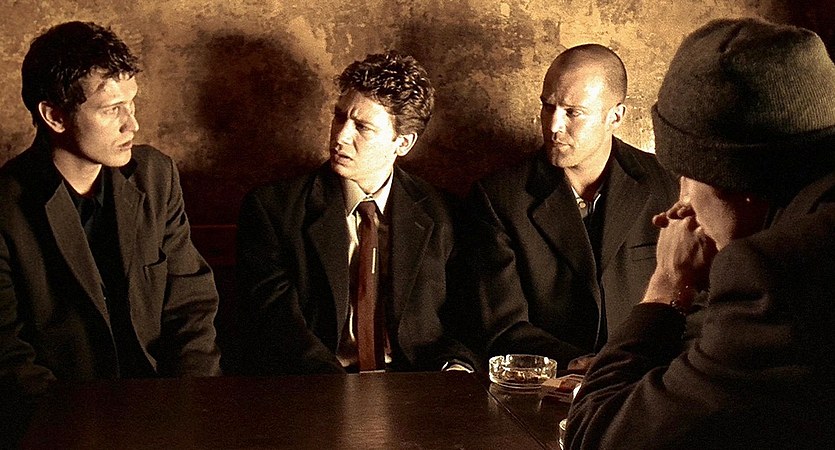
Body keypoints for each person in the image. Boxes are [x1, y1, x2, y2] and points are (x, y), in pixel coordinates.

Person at [566, 18, 835, 449]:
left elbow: (600, 434)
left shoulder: (776, 276)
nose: (683, 202)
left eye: (686, 175)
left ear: (730, 179)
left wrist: (666, 284)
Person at [0, 21, 221, 444]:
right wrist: (89, 432)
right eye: (111, 109)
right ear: (54, 116)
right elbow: (10, 358)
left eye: (132, 104)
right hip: (63, 428)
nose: (132, 125)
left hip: (169, 413)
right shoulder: (7, 207)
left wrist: (190, 406)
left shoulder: (156, 175)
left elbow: (192, 305)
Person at [233, 51, 476, 375]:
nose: (340, 136)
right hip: (315, 383)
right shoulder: (274, 208)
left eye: (362, 127)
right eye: (339, 117)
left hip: (416, 383)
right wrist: (340, 391)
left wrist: (455, 366)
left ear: (403, 142)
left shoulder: (444, 213)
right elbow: (276, 323)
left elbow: (464, 317)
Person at [463, 44, 677, 369]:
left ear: (615, 117)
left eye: (572, 112)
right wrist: (579, 363)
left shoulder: (668, 185)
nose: (552, 126)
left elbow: (698, 303)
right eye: (548, 106)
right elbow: (501, 326)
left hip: (651, 379)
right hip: (546, 384)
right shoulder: (498, 198)